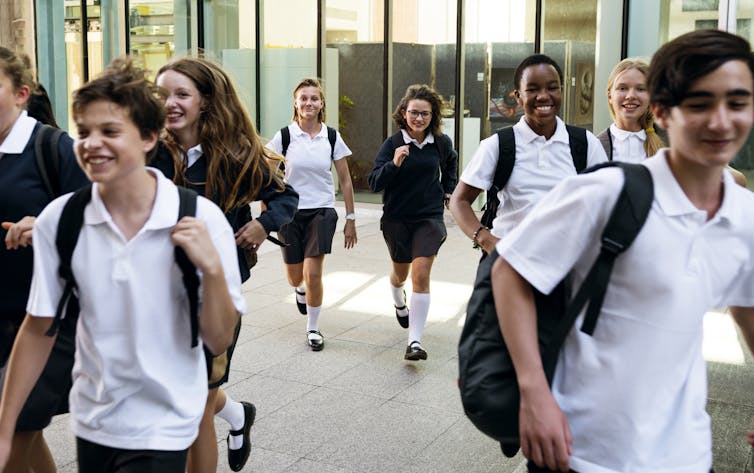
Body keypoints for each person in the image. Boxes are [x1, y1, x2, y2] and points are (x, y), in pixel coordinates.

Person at [492, 29, 754, 472]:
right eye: (700, 104)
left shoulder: (744, 214)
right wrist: (534, 392)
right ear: (663, 112)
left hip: (685, 455)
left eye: (737, 102)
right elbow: (509, 272)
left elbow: (746, 305)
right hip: (581, 452)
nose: (721, 121)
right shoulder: (605, 191)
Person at [0, 56, 245, 473]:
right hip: (94, 420)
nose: (92, 143)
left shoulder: (200, 219)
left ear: (149, 137)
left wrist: (214, 272)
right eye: (84, 132)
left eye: (110, 131)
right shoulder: (61, 219)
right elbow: (38, 328)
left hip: (165, 422)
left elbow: (218, 338)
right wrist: (4, 432)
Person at [153, 56, 298, 473]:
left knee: (196, 406)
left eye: (182, 94)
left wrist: (260, 224)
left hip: (215, 294)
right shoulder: (148, 151)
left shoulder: (238, 154)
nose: (171, 103)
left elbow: (286, 198)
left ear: (206, 101)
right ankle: (236, 414)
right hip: (155, 292)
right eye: (163, 94)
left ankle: (223, 416)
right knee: (174, 394)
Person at [0, 47, 88, 473]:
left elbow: (98, 220)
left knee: (13, 429)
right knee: (23, 434)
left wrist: (49, 223)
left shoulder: (55, 148)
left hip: (44, 321)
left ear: (21, 93)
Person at [449, 54, 607, 256]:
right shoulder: (498, 145)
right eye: (532, 89)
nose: (543, 96)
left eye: (552, 88)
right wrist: (486, 240)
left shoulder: (585, 143)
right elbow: (458, 201)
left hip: (567, 267)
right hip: (510, 264)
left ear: (561, 91)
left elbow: (605, 200)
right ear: (518, 96)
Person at [266, 77, 357, 352]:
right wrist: (267, 213)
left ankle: (313, 328)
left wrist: (350, 219)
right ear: (296, 103)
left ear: (321, 104)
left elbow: (345, 179)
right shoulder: (284, 136)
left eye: (314, 98)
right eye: (303, 98)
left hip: (321, 210)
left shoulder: (331, 136)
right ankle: (300, 290)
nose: (309, 102)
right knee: (296, 277)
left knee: (313, 272)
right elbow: (267, 175)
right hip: (290, 212)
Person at [367, 84, 457, 361]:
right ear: (404, 113)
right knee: (400, 273)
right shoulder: (393, 144)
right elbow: (373, 183)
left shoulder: (441, 143)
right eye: (414, 113)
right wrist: (393, 164)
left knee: (420, 273)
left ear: (433, 116)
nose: (419, 119)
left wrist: (448, 190)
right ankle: (398, 298)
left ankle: (414, 342)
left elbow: (451, 166)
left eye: (425, 114)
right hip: (397, 219)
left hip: (429, 217)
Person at [596, 58, 665, 162]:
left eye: (641, 89)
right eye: (622, 88)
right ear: (610, 96)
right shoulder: (595, 147)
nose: (631, 96)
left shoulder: (669, 144)